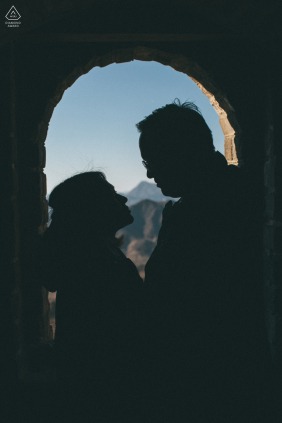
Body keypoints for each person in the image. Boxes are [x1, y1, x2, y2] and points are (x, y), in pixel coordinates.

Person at [136, 100, 272, 422]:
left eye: (152, 159)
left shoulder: (210, 210)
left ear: (182, 152)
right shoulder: (231, 194)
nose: (149, 172)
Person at [37, 171, 143, 422]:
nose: (124, 199)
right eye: (111, 194)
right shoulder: (95, 265)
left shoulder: (89, 258)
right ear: (92, 210)